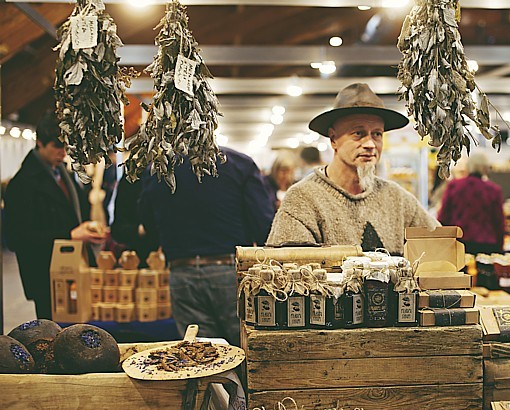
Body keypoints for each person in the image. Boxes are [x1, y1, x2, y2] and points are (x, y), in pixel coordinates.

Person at [267, 83, 438, 254]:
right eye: (358, 134)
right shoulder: (303, 199)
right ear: (333, 139)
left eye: (377, 134)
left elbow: (439, 244)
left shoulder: (396, 198)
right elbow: (286, 269)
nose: (370, 144)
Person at [139, 147, 275, 345]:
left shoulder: (158, 167)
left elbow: (148, 224)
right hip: (230, 270)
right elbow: (263, 225)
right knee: (247, 348)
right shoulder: (239, 164)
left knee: (201, 356)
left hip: (181, 272)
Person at [4, 112, 106, 319]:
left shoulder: (64, 174)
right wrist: (70, 235)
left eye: (66, 147)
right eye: (57, 147)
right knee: (53, 332)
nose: (63, 153)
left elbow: (74, 213)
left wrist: (87, 228)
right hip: (45, 273)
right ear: (40, 143)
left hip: (73, 266)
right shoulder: (22, 184)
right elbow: (17, 238)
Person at [438, 153, 505, 255]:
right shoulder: (493, 190)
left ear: (468, 166)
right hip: (487, 245)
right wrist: (500, 247)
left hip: (460, 244)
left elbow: (443, 217)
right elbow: (498, 222)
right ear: (485, 168)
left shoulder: (454, 186)